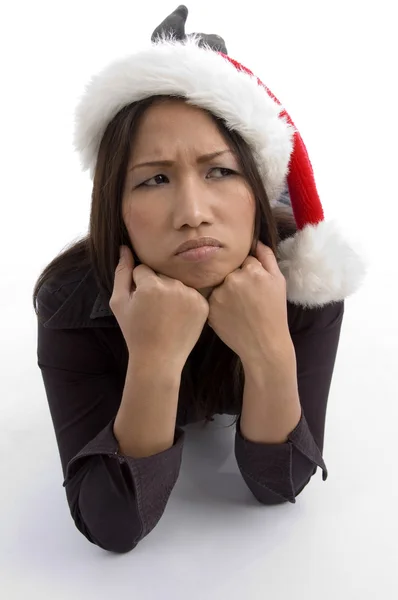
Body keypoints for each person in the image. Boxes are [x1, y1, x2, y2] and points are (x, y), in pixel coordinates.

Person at [32, 6, 366, 554]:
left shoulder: (303, 287)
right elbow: (111, 523)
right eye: (155, 179)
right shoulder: (69, 302)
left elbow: (279, 485)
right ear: (116, 207)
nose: (192, 211)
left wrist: (271, 354)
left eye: (220, 171)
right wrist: (155, 360)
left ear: (255, 188)